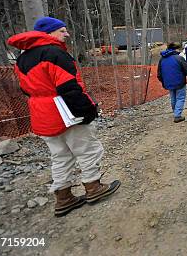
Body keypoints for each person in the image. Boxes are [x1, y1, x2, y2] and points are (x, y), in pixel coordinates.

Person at [7, 17, 120, 217]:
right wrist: (87, 111)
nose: (66, 34)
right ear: (49, 33)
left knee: (59, 156)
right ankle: (93, 188)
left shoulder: (22, 58)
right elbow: (69, 87)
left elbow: (25, 89)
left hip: (40, 113)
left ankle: (63, 198)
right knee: (88, 150)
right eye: (62, 31)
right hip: (65, 111)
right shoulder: (55, 53)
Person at [157, 42, 187, 122]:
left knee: (173, 97)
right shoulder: (179, 58)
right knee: (180, 98)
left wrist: (163, 81)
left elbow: (159, 73)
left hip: (168, 83)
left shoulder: (162, 59)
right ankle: (177, 115)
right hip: (179, 82)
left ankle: (176, 112)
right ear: (176, 49)